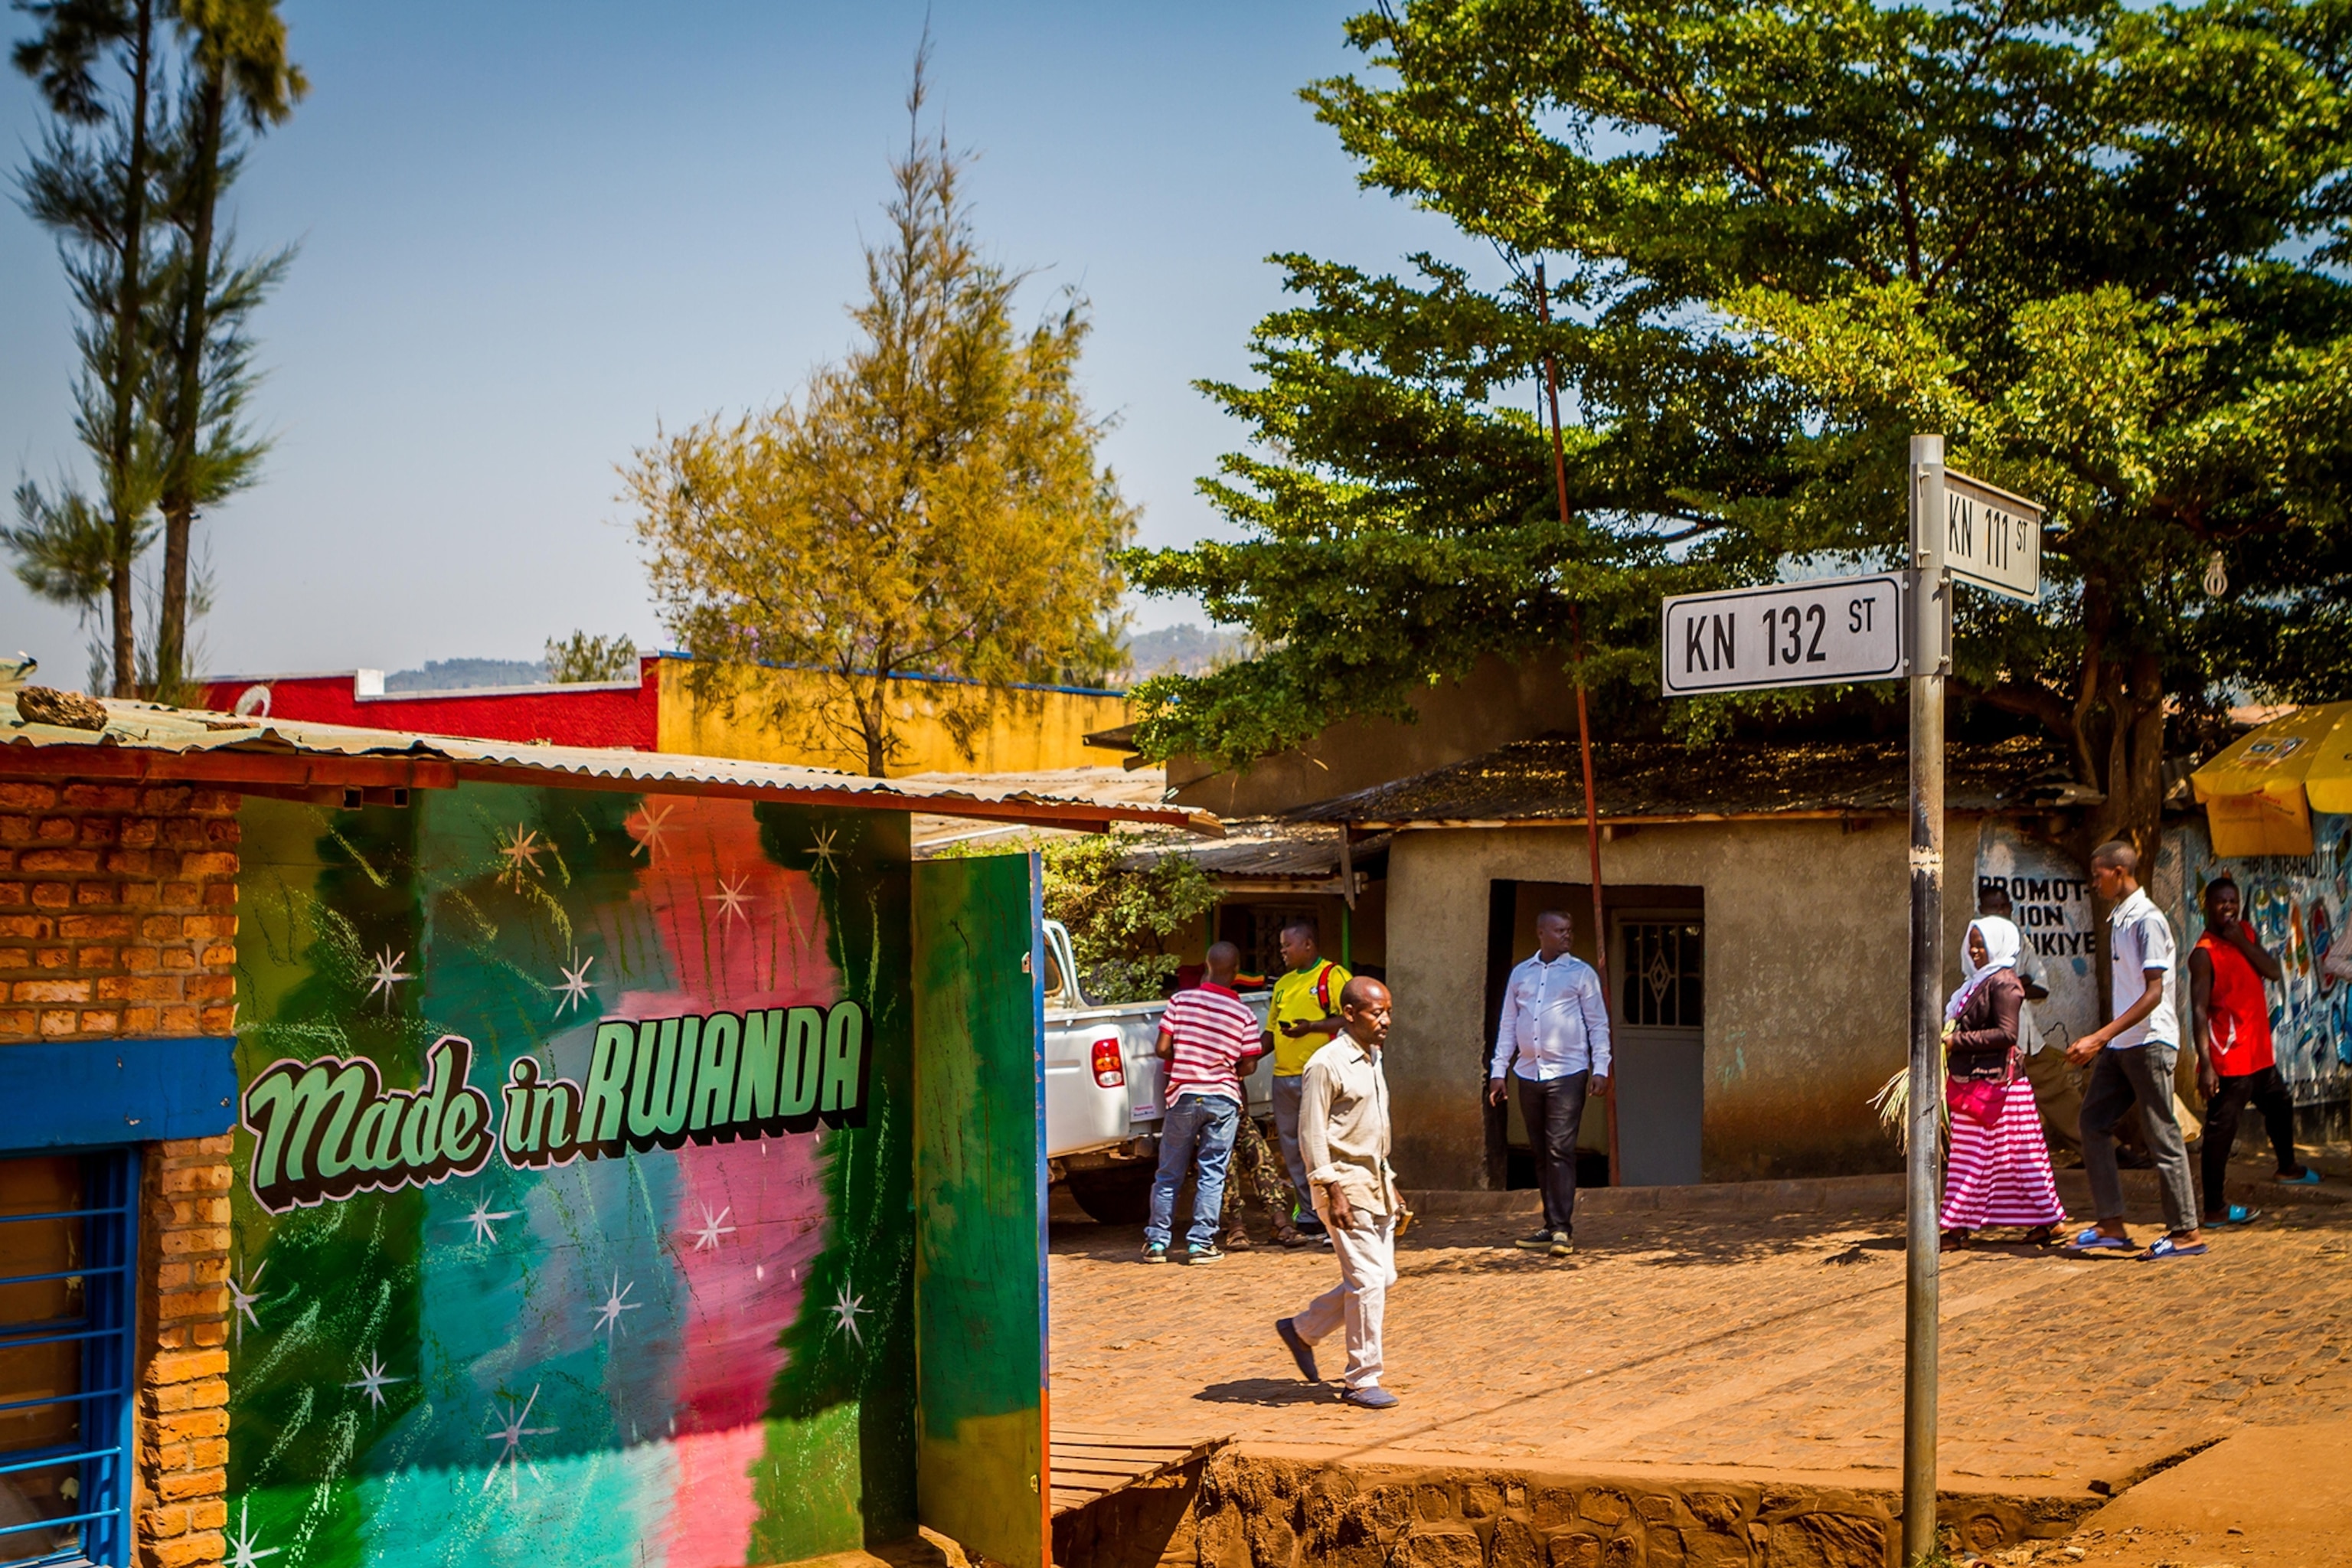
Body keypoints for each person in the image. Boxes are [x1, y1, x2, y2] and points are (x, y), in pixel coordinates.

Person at [2066, 842, 2204, 1259]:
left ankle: (2186, 1233)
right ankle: (2111, 1223)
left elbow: (2153, 994)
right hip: (2123, 1045)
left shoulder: (2148, 920)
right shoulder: (2121, 918)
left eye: (2099, 873)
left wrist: (2098, 1036)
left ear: (2121, 872)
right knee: (2092, 1122)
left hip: (2149, 1042)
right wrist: (2108, 1040)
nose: (2095, 882)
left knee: (2161, 1134)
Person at [1274, 977, 1404, 1410]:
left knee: (1381, 1278)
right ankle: (1362, 1379)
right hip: (1344, 1188)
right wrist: (1333, 1191)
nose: (1385, 1020)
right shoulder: (1325, 1064)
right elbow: (1310, 1135)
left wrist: (1392, 1182)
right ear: (1349, 1015)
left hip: (1376, 1184)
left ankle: (1303, 1330)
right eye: (1375, 1012)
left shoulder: (1374, 1057)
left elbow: (1371, 1129)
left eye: (1387, 1011)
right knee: (1367, 1281)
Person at [2190, 875, 2319, 1226]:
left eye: (2233, 901)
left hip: (2258, 1053)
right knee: (2221, 1131)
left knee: (2279, 1102)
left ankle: (2288, 1167)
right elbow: (2199, 1010)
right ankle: (2214, 1208)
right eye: (2221, 902)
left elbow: (2274, 971)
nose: (2228, 907)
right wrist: (2206, 1064)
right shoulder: (2203, 954)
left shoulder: (2245, 933)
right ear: (2208, 906)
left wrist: (2241, 941)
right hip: (2231, 1059)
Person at [1938, 916, 2066, 1248]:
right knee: (2003, 1157)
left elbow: (2007, 1033)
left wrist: (1957, 1042)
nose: (1975, 949)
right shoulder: (1976, 983)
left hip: (1999, 1087)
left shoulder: (2004, 982)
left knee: (2001, 1157)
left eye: (1981, 943)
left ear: (1999, 943)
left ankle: (1957, 1228)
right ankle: (2046, 1221)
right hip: (1981, 1082)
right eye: (1972, 943)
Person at [1488, 910, 1611, 1257]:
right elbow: (1508, 1025)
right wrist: (1499, 1070)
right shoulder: (1520, 975)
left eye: (1570, 930)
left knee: (1560, 1150)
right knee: (1541, 1153)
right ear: (1541, 932)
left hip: (1568, 1074)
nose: (1567, 936)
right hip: (1528, 1072)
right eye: (1559, 930)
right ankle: (1550, 1224)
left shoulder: (1581, 974)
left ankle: (1562, 1230)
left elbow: (1598, 1025)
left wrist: (1601, 1067)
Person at [1142, 942, 1265, 1265]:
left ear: (1206, 965)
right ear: (1236, 972)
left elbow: (1162, 1048)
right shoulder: (1243, 1013)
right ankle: (1200, 1243)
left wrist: (1186, 1059)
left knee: (1169, 1172)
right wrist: (1225, 1069)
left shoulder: (1180, 1001)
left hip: (1182, 1096)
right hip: (1223, 1098)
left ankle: (1157, 1243)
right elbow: (1249, 1064)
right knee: (1213, 1173)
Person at [1266, 917, 1351, 1242]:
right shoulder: (1283, 984)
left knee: (1326, 1144)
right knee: (1293, 1149)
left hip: (1319, 1076)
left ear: (1308, 944)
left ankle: (1337, 1213)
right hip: (1283, 1077)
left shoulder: (1333, 975)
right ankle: (1311, 1215)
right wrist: (1239, 1059)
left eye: (1288, 945)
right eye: (1281, 946)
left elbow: (1351, 1016)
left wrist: (1311, 1028)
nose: (1283, 951)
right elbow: (1271, 1033)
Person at [1217, 1110, 1309, 1250]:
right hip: (1202, 1118)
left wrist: (1243, 1114)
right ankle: (1234, 1224)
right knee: (1226, 1162)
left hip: (1234, 1112)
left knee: (1260, 1155)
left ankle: (1279, 1222)